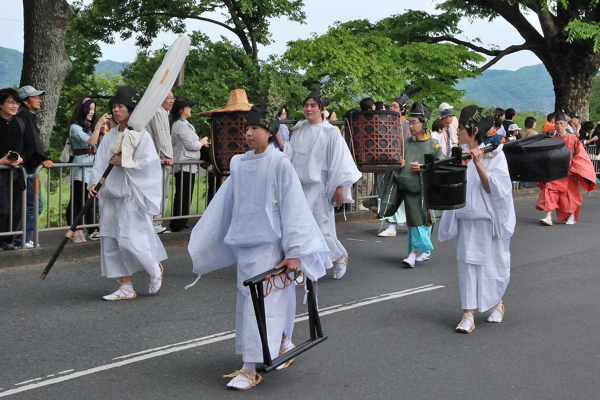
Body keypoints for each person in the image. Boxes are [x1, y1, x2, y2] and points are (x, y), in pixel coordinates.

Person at [187, 100, 328, 390]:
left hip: (270, 246)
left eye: (255, 127)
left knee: (262, 304)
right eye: (247, 127)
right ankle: (283, 342)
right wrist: (206, 238)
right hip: (246, 244)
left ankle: (250, 367)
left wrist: (296, 253)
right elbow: (225, 205)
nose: (248, 132)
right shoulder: (239, 163)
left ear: (270, 130)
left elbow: (294, 209)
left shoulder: (280, 164)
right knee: (253, 302)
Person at [438, 105, 516, 334]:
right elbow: (451, 185)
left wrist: (479, 163)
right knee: (467, 265)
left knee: (491, 265)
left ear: (472, 131)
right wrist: (460, 167)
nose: (457, 131)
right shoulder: (458, 152)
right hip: (465, 218)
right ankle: (468, 314)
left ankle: (495, 302)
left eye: (461, 128)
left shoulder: (495, 153)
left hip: (487, 221)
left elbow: (496, 189)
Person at [88, 86, 166, 300]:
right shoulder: (110, 136)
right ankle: (126, 286)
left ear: (131, 110)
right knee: (111, 242)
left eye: (120, 106)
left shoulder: (141, 137)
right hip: (110, 196)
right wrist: (94, 184)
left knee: (129, 240)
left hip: (130, 196)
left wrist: (125, 162)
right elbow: (99, 163)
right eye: (114, 106)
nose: (116, 110)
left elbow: (149, 163)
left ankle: (153, 268)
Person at [276, 86, 362, 279]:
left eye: (313, 105)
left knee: (322, 228)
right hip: (299, 186)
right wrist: (277, 134)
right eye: (306, 105)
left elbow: (340, 161)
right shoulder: (299, 129)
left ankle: (339, 255)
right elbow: (290, 154)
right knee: (298, 227)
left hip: (320, 186)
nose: (308, 109)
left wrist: (339, 188)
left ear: (322, 109)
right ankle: (302, 267)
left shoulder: (331, 133)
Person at [397, 102, 444, 267]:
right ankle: (419, 251)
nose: (411, 125)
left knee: (420, 222)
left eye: (414, 122)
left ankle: (413, 254)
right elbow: (397, 161)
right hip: (408, 188)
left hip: (425, 190)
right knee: (413, 223)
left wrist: (424, 168)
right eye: (410, 122)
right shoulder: (406, 142)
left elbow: (441, 166)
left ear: (423, 124)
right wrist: (399, 163)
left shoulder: (433, 145)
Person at [537, 109, 596, 225]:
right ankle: (548, 216)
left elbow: (580, 155)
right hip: (553, 172)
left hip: (568, 172)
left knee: (569, 196)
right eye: (557, 124)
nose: (559, 126)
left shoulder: (572, 138)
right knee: (549, 192)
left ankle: (572, 215)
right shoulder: (551, 139)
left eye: (561, 124)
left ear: (565, 125)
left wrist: (577, 168)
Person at [13, 85, 53, 249]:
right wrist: (42, 158)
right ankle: (20, 240)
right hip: (28, 168)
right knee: (34, 205)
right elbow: (32, 142)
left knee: (27, 205)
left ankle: (19, 239)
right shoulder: (25, 114)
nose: (39, 99)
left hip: (26, 167)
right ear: (25, 101)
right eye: (35, 97)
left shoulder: (23, 114)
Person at [65, 97, 109, 243]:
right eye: (90, 109)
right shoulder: (75, 127)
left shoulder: (89, 127)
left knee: (91, 199)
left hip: (92, 166)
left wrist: (102, 131)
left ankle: (92, 229)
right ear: (82, 109)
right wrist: (98, 126)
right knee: (78, 200)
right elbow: (90, 142)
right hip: (81, 167)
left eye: (94, 109)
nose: (92, 112)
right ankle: (75, 230)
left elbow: (98, 143)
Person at [169, 98, 209, 232]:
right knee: (182, 195)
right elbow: (191, 145)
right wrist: (202, 142)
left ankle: (182, 222)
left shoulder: (184, 124)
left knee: (186, 194)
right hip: (183, 164)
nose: (190, 109)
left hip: (188, 165)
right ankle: (177, 224)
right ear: (181, 110)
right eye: (188, 107)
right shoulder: (179, 125)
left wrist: (201, 142)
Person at [0, 88, 32, 251]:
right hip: (1, 172)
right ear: (1, 104)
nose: (15, 106)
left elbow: (29, 147)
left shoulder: (21, 123)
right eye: (11, 102)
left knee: (17, 209)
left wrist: (21, 158)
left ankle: (7, 241)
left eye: (17, 103)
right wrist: (1, 161)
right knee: (3, 208)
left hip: (18, 172)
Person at [146, 91, 175, 234]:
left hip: (157, 157)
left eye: (172, 98)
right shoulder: (158, 111)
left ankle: (156, 222)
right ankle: (155, 222)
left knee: (162, 191)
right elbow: (161, 134)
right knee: (160, 191)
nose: (172, 101)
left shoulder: (163, 112)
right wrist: (166, 155)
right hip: (159, 158)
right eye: (169, 98)